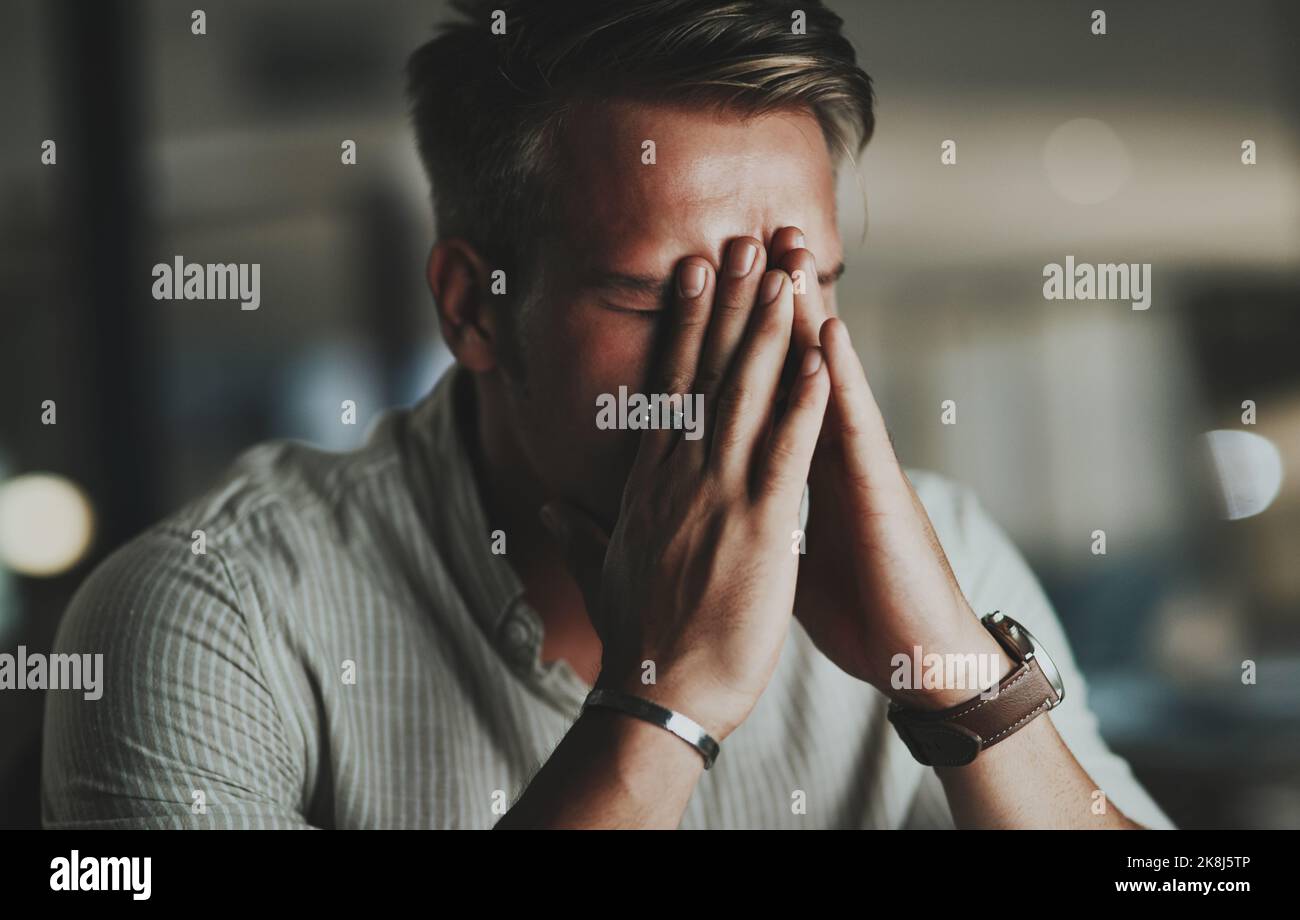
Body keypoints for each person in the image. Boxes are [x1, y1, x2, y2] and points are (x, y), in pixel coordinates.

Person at [42, 0, 1174, 829]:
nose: (748, 359)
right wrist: (663, 696)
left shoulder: (939, 550)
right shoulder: (203, 613)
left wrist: (964, 683)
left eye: (801, 288)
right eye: (653, 298)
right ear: (472, 308)